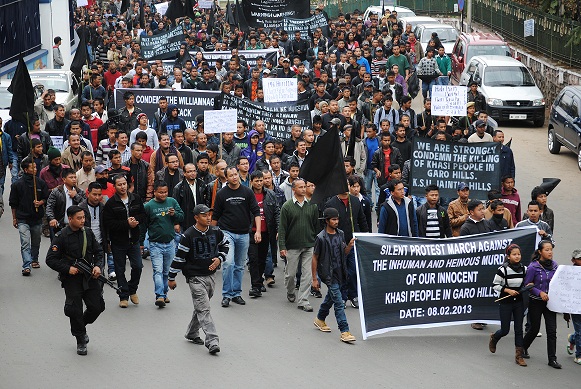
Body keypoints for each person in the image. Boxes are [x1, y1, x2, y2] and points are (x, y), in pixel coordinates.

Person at [45, 205, 105, 356]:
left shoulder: (88, 233)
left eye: (83, 217)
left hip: (89, 276)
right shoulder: (61, 236)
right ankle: (80, 340)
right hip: (72, 279)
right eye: (79, 218)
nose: (82, 220)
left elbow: (99, 252)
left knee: (97, 306)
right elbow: (51, 260)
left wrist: (98, 266)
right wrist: (67, 269)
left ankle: (81, 325)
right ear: (70, 219)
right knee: (74, 309)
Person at [168, 204, 228, 354]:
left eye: (209, 215)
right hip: (195, 278)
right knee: (204, 308)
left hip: (211, 276)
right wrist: (171, 277)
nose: (208, 218)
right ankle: (212, 340)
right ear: (196, 218)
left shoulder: (216, 231)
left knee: (201, 307)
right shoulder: (188, 236)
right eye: (204, 215)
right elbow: (179, 257)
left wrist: (220, 259)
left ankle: (191, 333)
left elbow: (225, 245)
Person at [212, 166, 261, 308]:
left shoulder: (247, 192)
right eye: (231, 175)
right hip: (227, 232)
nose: (234, 177)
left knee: (240, 266)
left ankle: (236, 294)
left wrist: (257, 231)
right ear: (226, 178)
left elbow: (256, 212)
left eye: (236, 174)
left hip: (244, 233)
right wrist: (212, 234)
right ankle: (226, 294)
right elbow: (216, 216)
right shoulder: (222, 194)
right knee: (228, 263)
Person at [311, 207, 357, 343]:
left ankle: (320, 319)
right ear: (327, 221)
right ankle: (345, 331)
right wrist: (314, 278)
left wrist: (349, 245)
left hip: (340, 272)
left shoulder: (341, 234)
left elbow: (344, 252)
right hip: (328, 274)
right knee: (338, 302)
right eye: (334, 219)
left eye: (337, 219)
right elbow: (315, 257)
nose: (336, 222)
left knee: (331, 297)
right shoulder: (321, 238)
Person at [102, 175, 146, 308]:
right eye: (119, 184)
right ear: (114, 187)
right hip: (118, 241)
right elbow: (109, 223)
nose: (122, 187)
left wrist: (135, 221)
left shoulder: (136, 198)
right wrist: (126, 224)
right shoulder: (111, 203)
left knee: (138, 266)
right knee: (120, 269)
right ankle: (123, 295)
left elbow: (143, 215)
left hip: (134, 240)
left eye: (124, 184)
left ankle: (132, 289)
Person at [278, 179, 320, 312]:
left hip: (309, 244)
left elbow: (316, 226)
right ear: (294, 190)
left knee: (307, 274)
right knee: (290, 274)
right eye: (300, 187)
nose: (303, 189)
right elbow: (282, 228)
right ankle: (290, 292)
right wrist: (282, 246)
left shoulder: (312, 206)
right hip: (292, 245)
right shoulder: (287, 206)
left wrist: (315, 242)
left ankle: (303, 300)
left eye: (304, 187)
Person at [325, 185, 369, 308]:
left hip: (353, 241)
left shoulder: (355, 201)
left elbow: (362, 220)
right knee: (340, 272)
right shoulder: (331, 203)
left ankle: (353, 295)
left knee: (354, 270)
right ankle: (342, 297)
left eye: (347, 184)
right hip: (337, 244)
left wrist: (366, 236)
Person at [142, 181, 184, 307]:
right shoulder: (149, 206)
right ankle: (159, 295)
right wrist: (140, 242)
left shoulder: (172, 202)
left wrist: (174, 215)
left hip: (170, 243)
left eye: (165, 192)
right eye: (160, 192)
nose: (163, 194)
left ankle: (164, 294)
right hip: (155, 244)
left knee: (167, 271)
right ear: (154, 192)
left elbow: (182, 216)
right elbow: (144, 225)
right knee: (158, 271)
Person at [522, 240, 561, 368]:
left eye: (551, 250)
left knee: (552, 331)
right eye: (547, 250)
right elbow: (527, 285)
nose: (550, 252)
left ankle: (552, 359)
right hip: (536, 302)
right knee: (534, 329)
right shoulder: (533, 267)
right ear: (540, 252)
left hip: (550, 303)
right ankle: (523, 347)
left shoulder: (555, 266)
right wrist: (539, 292)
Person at [489, 244, 528, 367]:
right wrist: (508, 290)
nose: (517, 257)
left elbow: (527, 282)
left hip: (519, 302)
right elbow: (495, 285)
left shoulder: (524, 269)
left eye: (519, 254)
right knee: (505, 330)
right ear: (508, 256)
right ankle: (494, 337)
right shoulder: (503, 269)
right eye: (514, 254)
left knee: (518, 329)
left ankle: (519, 356)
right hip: (505, 302)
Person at [9, 158, 49, 275]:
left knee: (36, 241)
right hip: (23, 218)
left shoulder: (40, 183)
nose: (35, 169)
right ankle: (26, 265)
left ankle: (34, 259)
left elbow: (46, 197)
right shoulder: (17, 185)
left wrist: (40, 202)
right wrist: (14, 218)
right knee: (25, 242)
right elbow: (13, 203)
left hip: (36, 218)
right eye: (32, 168)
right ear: (26, 170)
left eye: (36, 167)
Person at [247, 170, 279, 298]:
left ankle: (259, 281)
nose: (259, 183)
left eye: (261, 180)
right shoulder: (248, 195)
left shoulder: (270, 194)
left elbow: (277, 212)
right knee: (253, 259)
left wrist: (278, 229)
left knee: (262, 259)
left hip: (267, 232)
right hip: (251, 232)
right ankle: (255, 286)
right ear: (252, 182)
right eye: (257, 181)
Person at [46, 168, 86, 234]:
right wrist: (52, 218)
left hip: (76, 226)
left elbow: (85, 205)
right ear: (64, 179)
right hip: (59, 226)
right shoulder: (56, 192)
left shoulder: (79, 192)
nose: (74, 179)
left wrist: (76, 196)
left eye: (75, 177)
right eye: (71, 177)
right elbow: (49, 206)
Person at [173, 163, 206, 233]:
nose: (193, 173)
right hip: (185, 220)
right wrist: (176, 223)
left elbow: (206, 201)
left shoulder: (202, 184)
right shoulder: (179, 188)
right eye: (189, 171)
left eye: (194, 171)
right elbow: (175, 206)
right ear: (184, 173)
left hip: (200, 218)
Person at [565, 249, 581, 365]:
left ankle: (572, 338)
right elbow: (565, 291)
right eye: (579, 259)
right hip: (575, 306)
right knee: (580, 331)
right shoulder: (569, 273)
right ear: (573, 260)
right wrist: (566, 311)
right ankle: (579, 355)